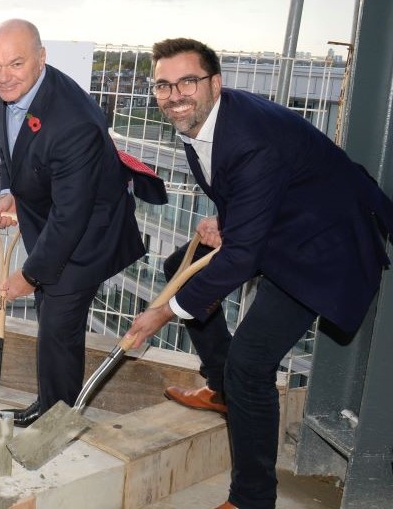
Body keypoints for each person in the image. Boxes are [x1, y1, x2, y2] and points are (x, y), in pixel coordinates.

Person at [125, 38, 393, 509]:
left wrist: (163, 312)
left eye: (187, 81)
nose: (174, 94)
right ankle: (222, 388)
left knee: (250, 365)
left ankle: (251, 499)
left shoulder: (248, 136)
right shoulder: (205, 119)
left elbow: (242, 257)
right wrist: (227, 220)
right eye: (163, 85)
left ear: (215, 83)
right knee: (178, 267)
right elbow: (265, 187)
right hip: (288, 223)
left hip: (322, 246)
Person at [0, 19, 145, 427]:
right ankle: (54, 405)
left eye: (15, 64)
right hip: (56, 219)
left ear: (41, 59)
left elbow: (72, 215)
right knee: (53, 319)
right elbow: (15, 148)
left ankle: (57, 420)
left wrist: (32, 274)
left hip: (88, 233)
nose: (3, 77)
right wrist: (11, 191)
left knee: (57, 323)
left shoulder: (73, 121)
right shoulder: (11, 89)